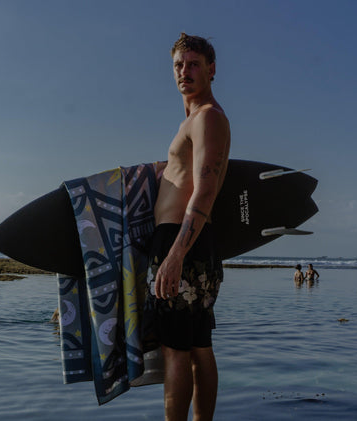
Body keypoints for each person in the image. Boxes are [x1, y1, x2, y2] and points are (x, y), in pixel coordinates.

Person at [144, 32, 230, 421]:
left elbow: (207, 190)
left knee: (176, 349)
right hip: (193, 241)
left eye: (194, 64)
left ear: (211, 70)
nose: (185, 71)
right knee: (197, 345)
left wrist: (175, 254)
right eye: (179, 65)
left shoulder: (208, 116)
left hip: (183, 240)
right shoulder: (195, 120)